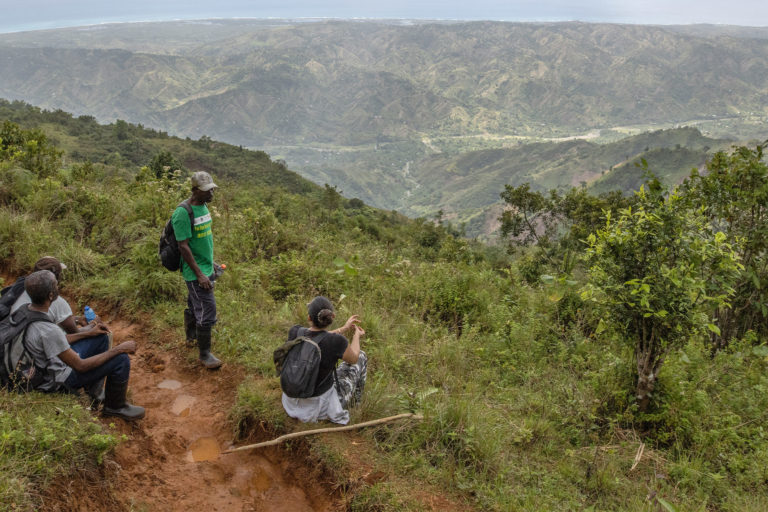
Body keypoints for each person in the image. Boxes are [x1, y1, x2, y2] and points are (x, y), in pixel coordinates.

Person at [20, 270, 145, 420]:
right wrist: (119, 349)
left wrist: (87, 333)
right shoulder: (48, 330)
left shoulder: (27, 311)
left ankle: (93, 391)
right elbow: (80, 366)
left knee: (101, 338)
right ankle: (115, 406)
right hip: (58, 380)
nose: (58, 286)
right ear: (51, 296)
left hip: (45, 365)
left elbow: (55, 341)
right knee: (121, 359)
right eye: (55, 285)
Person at [282, 296, 368, 425]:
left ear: (309, 318)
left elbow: (316, 337)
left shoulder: (296, 332)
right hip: (318, 409)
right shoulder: (336, 342)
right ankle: (356, 404)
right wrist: (356, 337)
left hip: (291, 403)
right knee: (361, 356)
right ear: (332, 317)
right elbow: (353, 358)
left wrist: (343, 329)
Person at [173, 171, 222, 369]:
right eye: (206, 191)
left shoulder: (203, 208)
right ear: (194, 190)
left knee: (195, 305)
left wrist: (212, 263)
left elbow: (202, 241)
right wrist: (200, 274)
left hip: (205, 266)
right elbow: (183, 246)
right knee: (207, 309)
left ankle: (191, 337)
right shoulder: (183, 213)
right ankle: (204, 355)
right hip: (195, 273)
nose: (211, 194)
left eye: (212, 189)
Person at [11, 257, 112, 345]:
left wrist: (77, 319)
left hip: (12, 353)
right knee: (102, 337)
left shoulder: (20, 290)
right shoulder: (54, 300)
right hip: (36, 359)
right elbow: (74, 333)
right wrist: (93, 323)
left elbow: (51, 317)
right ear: (56, 278)